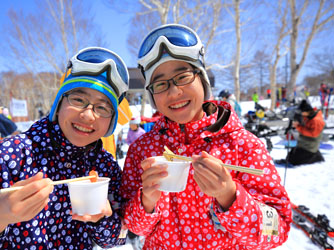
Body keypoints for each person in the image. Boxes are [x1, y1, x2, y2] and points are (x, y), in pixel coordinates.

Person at [120, 24, 291, 249]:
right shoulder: (142, 151)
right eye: (160, 84)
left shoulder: (243, 145)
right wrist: (146, 202)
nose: (173, 92)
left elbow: (277, 230)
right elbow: (133, 227)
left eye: (182, 76)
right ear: (152, 96)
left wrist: (230, 196)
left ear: (202, 78)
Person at [0, 47, 129, 249]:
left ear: (111, 121)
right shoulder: (9, 156)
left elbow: (117, 239)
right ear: (59, 103)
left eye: (102, 107)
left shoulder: (104, 166)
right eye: (78, 99)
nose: (87, 115)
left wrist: (101, 220)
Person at [276, 100, 325, 166]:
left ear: (307, 111)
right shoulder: (310, 115)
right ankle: (314, 156)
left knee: (294, 161)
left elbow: (313, 134)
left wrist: (298, 127)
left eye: (302, 112)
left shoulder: (316, 121)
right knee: (291, 154)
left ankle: (315, 157)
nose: (302, 114)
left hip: (309, 145)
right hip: (304, 142)